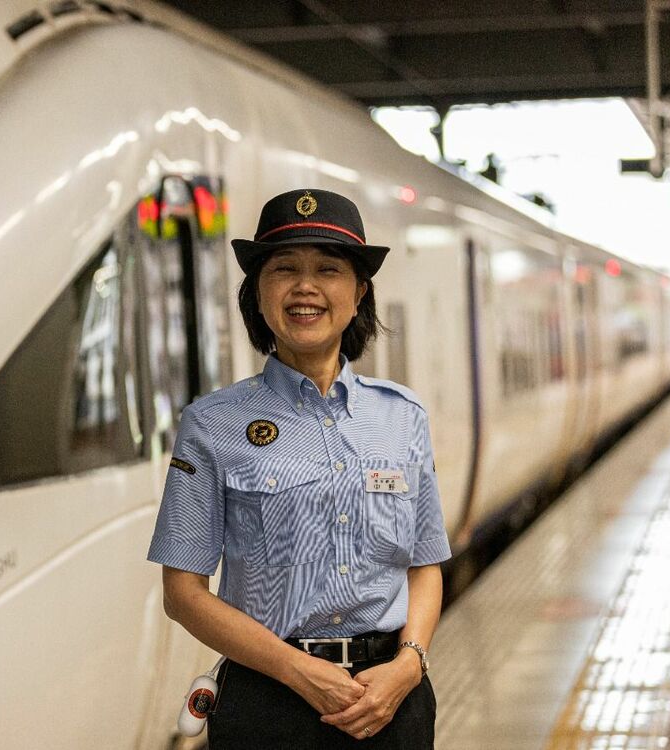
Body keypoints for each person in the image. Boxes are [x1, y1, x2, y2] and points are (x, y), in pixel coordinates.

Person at [147, 188, 451, 748]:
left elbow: (426, 565)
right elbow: (182, 592)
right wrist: (296, 671)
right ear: (257, 294)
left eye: (328, 270)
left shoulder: (401, 417)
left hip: (392, 700)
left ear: (358, 293)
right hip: (270, 704)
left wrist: (409, 664)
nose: (305, 287)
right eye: (283, 268)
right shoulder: (211, 424)